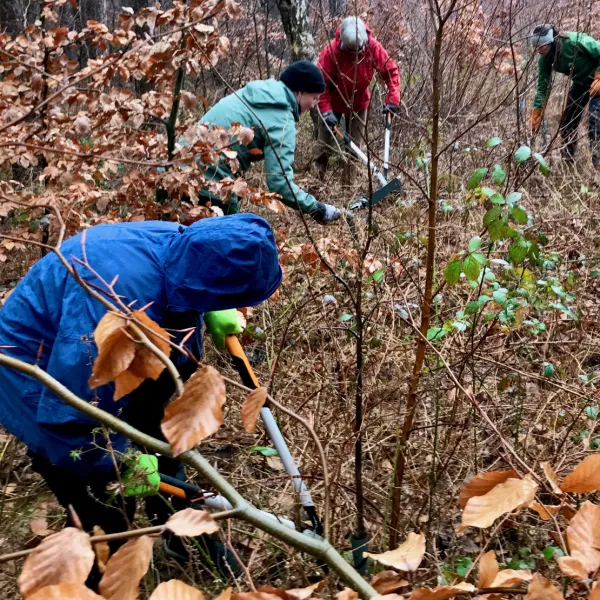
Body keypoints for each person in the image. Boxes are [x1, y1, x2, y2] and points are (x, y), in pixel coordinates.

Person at [0, 214, 282, 580]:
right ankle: (100, 566)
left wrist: (213, 305)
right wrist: (121, 463)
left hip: (112, 353)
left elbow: (191, 279)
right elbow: (70, 411)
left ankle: (180, 534)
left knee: (158, 446)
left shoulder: (183, 244)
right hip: (37, 370)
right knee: (104, 500)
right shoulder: (112, 305)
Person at [190, 60, 340, 224]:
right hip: (208, 184)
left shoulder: (259, 92)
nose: (313, 105)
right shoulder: (282, 118)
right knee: (229, 243)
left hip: (175, 171)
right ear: (300, 92)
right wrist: (317, 208)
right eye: (314, 98)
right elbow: (280, 183)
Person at [315, 16, 400, 180]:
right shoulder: (331, 52)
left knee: (355, 149)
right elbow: (320, 83)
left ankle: (348, 186)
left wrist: (393, 99)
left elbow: (391, 72)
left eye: (358, 51)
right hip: (333, 103)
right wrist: (326, 111)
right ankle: (317, 183)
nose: (355, 55)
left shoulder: (373, 47)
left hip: (359, 103)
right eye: (351, 52)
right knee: (324, 148)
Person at [529, 24, 600, 166]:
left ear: (552, 41)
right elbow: (543, 86)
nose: (539, 50)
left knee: (596, 122)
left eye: (542, 46)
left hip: (597, 81)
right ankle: (568, 162)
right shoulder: (545, 60)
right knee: (568, 122)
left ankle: (597, 166)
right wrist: (537, 110)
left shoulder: (574, 41)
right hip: (580, 83)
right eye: (536, 47)